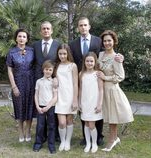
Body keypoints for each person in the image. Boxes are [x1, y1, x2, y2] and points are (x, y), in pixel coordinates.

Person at [69, 17, 104, 146]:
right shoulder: (72, 44)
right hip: (80, 78)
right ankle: (86, 137)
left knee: (96, 108)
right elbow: (71, 61)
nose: (83, 27)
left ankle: (99, 136)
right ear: (78, 28)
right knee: (84, 107)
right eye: (80, 25)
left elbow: (104, 56)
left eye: (85, 25)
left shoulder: (98, 41)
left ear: (89, 26)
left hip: (95, 78)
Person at [97, 30, 134, 152]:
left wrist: (105, 77)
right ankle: (114, 138)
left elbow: (120, 76)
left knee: (113, 117)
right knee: (106, 117)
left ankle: (112, 139)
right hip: (101, 90)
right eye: (105, 40)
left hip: (112, 90)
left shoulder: (116, 58)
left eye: (109, 40)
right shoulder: (100, 55)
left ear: (114, 42)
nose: (107, 43)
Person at [32, 21, 60, 143]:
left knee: (53, 109)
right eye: (43, 28)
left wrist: (57, 78)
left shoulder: (58, 44)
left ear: (52, 30)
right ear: (40, 31)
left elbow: (60, 63)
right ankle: (41, 136)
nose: (46, 30)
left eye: (48, 28)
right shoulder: (35, 45)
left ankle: (55, 135)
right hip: (39, 80)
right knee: (41, 109)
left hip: (53, 81)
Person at [6, 28, 35, 142]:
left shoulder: (32, 50)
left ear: (27, 39)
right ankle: (20, 132)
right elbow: (9, 70)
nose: (22, 38)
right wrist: (14, 86)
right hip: (17, 82)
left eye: (24, 36)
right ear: (16, 38)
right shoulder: (11, 52)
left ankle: (28, 131)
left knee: (29, 107)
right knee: (19, 107)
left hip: (30, 82)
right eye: (19, 36)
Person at [54, 44, 78, 151]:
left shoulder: (73, 66)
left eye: (64, 53)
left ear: (68, 53)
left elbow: (75, 84)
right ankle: (62, 140)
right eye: (60, 54)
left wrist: (75, 100)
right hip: (60, 97)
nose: (62, 56)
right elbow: (54, 79)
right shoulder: (57, 65)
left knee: (69, 121)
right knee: (62, 122)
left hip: (70, 96)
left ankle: (67, 141)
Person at [79, 52, 104, 153]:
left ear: (95, 62)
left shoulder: (97, 74)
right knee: (86, 123)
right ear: (84, 62)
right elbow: (80, 89)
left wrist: (99, 104)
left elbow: (101, 90)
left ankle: (94, 143)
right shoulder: (81, 74)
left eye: (91, 61)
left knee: (92, 124)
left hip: (94, 102)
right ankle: (88, 143)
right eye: (87, 61)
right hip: (85, 102)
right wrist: (79, 102)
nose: (89, 63)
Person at [33, 60, 57, 154]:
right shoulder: (39, 81)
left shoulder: (53, 82)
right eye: (46, 69)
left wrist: (48, 106)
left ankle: (51, 145)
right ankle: (38, 143)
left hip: (50, 107)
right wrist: (38, 107)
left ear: (52, 71)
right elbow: (36, 95)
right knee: (40, 126)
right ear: (43, 70)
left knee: (51, 126)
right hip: (40, 107)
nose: (48, 71)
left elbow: (55, 97)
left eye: (50, 70)